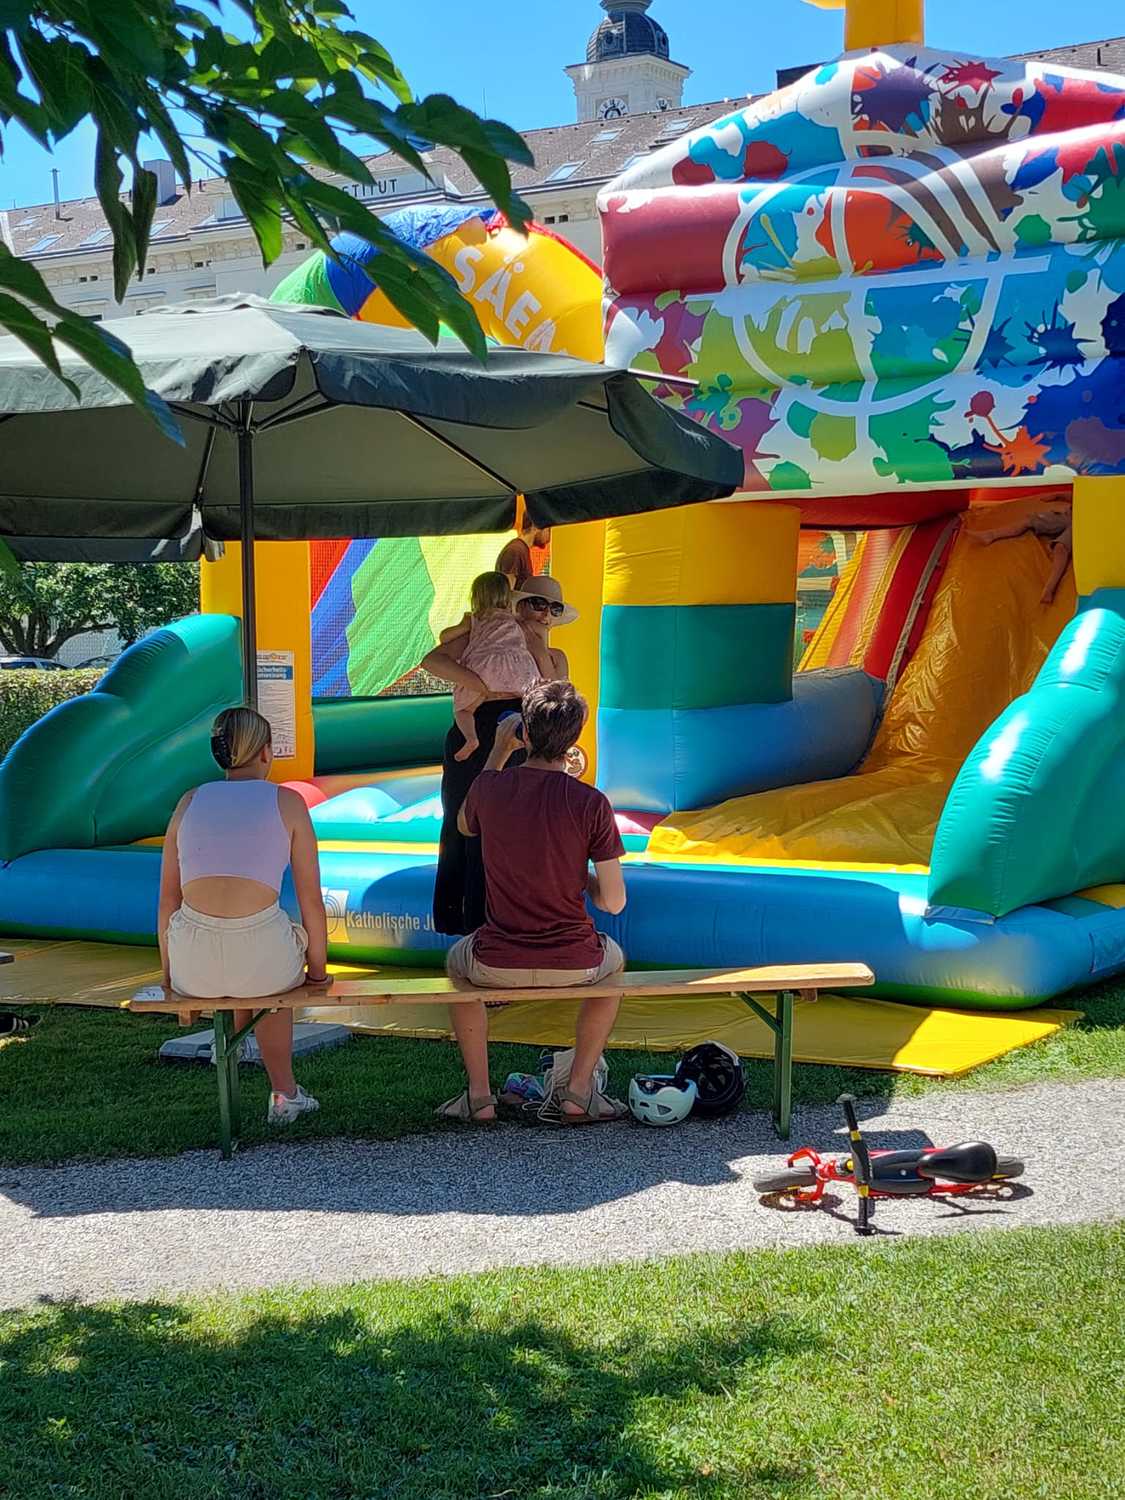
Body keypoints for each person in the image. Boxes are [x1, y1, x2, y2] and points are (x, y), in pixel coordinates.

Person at [436, 679, 628, 1126]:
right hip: (576, 960)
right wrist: (582, 878)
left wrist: (497, 753)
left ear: (523, 730)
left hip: (495, 960)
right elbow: (614, 902)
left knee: (455, 966)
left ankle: (479, 1096)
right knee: (615, 968)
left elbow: (464, 825)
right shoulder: (592, 803)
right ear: (575, 737)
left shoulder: (490, 789)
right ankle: (578, 1090)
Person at [157, 706, 329, 1125]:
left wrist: (171, 978)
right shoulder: (287, 802)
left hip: (193, 964)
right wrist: (318, 974)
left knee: (249, 946)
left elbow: (168, 901)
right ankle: (284, 1092)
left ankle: (232, 1046)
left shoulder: (189, 801)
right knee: (275, 973)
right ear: (266, 751)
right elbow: (311, 900)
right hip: (262, 959)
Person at [421, 574, 576, 937]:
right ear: (517, 604)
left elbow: (557, 692)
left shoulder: (554, 655)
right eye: (537, 604)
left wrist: (535, 646)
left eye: (553, 608)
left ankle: (507, 918)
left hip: (524, 730)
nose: (544, 614)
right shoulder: (487, 634)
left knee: (513, 826)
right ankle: (462, 918)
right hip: (480, 723)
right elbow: (434, 660)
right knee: (463, 818)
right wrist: (478, 683)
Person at [438, 571, 553, 762]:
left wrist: (467, 626)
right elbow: (543, 653)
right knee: (531, 703)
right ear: (509, 598)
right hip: (518, 670)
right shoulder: (518, 622)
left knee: (464, 710)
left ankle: (471, 739)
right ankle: (530, 735)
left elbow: (445, 637)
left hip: (484, 668)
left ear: (476, 597)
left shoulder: (474, 618)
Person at [968, 500, 1073, 605]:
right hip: (1070, 515)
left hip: (1080, 524)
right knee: (1028, 521)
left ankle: (1049, 588)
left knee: (1060, 548)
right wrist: (1058, 496)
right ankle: (991, 535)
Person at [496, 515, 552, 592]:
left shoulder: (521, 550)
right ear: (535, 527)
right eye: (548, 530)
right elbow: (508, 591)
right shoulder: (515, 551)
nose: (549, 537)